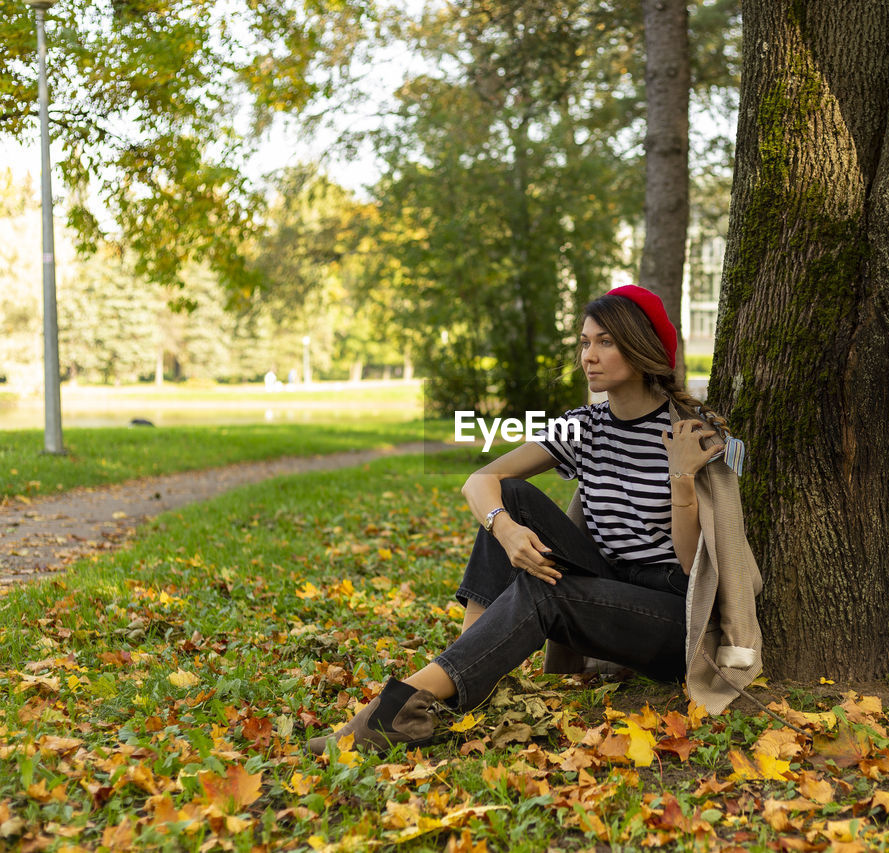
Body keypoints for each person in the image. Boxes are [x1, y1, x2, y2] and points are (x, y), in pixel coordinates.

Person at [306, 285, 763, 756]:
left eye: (606, 342)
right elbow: (480, 481)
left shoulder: (695, 432)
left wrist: (682, 478)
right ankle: (460, 671)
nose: (590, 355)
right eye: (585, 342)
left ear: (641, 346)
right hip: (607, 583)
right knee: (509, 495)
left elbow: (698, 567)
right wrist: (506, 529)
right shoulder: (584, 426)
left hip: (672, 614)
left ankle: (393, 712)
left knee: (545, 588)